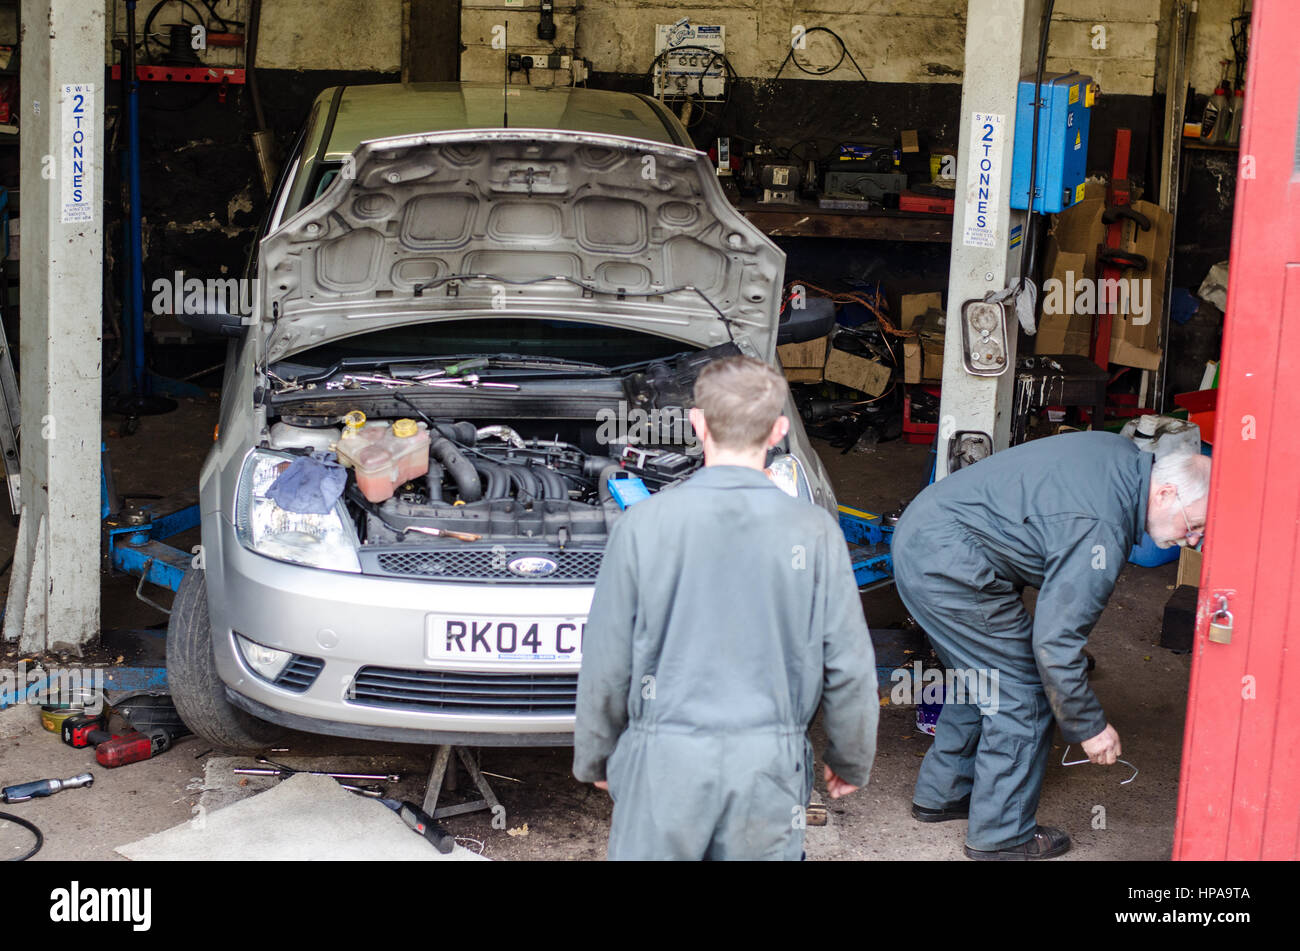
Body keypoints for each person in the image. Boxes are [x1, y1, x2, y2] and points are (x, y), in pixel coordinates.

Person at [573, 355, 878, 861]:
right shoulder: (814, 531)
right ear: (779, 430)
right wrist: (850, 757)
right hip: (767, 768)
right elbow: (849, 664)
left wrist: (598, 755)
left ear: (696, 425)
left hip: (661, 765)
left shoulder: (642, 525)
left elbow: (607, 659)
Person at [891, 431, 1210, 860]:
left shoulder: (1123, 456)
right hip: (949, 566)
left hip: (927, 537)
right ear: (1166, 492)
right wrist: (1089, 726)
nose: (1192, 541)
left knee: (982, 677)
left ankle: (944, 793)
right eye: (1195, 526)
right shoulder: (1102, 527)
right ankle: (1001, 837)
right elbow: (1055, 644)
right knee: (1024, 696)